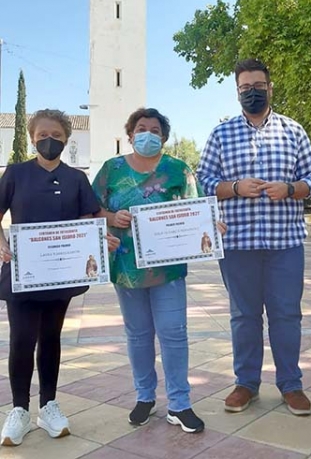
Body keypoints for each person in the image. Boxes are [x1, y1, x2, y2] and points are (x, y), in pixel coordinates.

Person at [197, 59, 311, 415]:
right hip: (238, 245)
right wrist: (235, 187)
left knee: (286, 315)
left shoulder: (293, 131)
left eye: (258, 86)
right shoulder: (221, 134)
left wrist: (292, 188)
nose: (252, 92)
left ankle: (291, 385)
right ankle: (246, 384)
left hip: (285, 243)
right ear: (237, 92)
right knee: (244, 316)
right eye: (244, 88)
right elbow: (203, 181)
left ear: (270, 87)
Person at [0, 109, 118, 447]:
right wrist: (3, 244)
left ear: (66, 139)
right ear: (32, 136)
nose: (48, 140)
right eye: (42, 134)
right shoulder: (15, 173)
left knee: (51, 338)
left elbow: (90, 217)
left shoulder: (76, 179)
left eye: (56, 134)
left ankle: (48, 405)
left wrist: (101, 238)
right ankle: (19, 409)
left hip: (62, 272)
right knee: (22, 339)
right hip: (24, 271)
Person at [92, 107, 211, 434]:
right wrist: (112, 218)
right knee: (139, 335)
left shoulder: (178, 170)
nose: (148, 133)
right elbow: (90, 209)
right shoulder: (111, 169)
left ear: (163, 136)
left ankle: (180, 403)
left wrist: (211, 228)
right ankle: (145, 397)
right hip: (127, 268)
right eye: (141, 128)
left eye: (155, 129)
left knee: (174, 333)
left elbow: (196, 209)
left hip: (169, 270)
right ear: (130, 135)